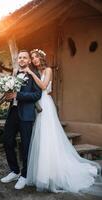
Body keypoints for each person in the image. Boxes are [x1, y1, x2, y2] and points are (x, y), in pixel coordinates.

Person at [23, 49, 102, 195]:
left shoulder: (47, 70)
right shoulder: (37, 71)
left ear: (42, 57)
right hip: (38, 105)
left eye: (36, 57)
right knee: (42, 138)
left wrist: (32, 73)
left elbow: (43, 86)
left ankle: (52, 173)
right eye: (32, 58)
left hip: (46, 105)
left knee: (48, 136)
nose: (34, 60)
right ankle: (43, 173)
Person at [0, 50, 42, 190]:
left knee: (26, 146)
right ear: (18, 60)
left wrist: (18, 95)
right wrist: (8, 96)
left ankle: (24, 175)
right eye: (20, 58)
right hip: (13, 112)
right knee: (7, 141)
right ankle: (15, 171)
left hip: (27, 114)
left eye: (25, 57)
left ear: (29, 61)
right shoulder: (14, 75)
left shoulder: (34, 75)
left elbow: (37, 95)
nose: (22, 59)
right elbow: (11, 94)